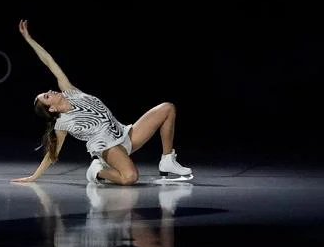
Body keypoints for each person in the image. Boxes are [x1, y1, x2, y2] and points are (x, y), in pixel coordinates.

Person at [13, 20, 193, 185]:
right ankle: (98, 171)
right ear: (51, 108)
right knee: (130, 177)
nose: (50, 91)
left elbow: (49, 61)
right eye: (46, 96)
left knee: (167, 108)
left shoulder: (71, 91)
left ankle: (167, 159)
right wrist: (33, 177)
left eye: (47, 92)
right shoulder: (62, 124)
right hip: (108, 149)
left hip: (125, 135)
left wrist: (29, 39)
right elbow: (52, 155)